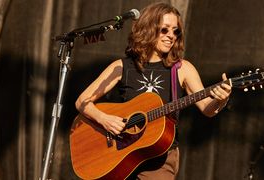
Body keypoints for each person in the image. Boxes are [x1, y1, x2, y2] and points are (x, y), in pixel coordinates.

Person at [75, 2, 232, 179]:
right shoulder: (121, 67)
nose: (171, 36)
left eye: (176, 31)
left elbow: (207, 108)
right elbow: (82, 101)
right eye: (165, 30)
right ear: (148, 28)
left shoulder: (182, 69)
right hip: (119, 154)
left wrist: (221, 99)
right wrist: (105, 119)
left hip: (159, 159)